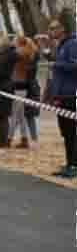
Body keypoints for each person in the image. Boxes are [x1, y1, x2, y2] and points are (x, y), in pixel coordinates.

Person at [43, 13, 77, 177]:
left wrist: (57, 64)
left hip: (70, 94)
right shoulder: (61, 45)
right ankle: (70, 164)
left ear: (62, 29)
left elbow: (74, 65)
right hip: (60, 94)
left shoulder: (72, 44)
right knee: (65, 132)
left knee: (71, 132)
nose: (50, 31)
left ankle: (73, 166)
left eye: (53, 28)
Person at [7, 35, 39, 149]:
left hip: (18, 86)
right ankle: (24, 139)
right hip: (22, 86)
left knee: (14, 114)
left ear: (19, 43)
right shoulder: (28, 52)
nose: (13, 42)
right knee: (20, 115)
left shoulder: (21, 53)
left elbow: (8, 55)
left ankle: (8, 138)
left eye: (15, 41)